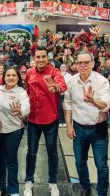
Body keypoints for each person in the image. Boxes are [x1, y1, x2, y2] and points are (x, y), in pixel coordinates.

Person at [63, 51, 110, 196]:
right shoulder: (71, 81)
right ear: (76, 65)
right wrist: (69, 125)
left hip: (99, 129)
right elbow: (67, 104)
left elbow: (107, 103)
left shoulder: (102, 81)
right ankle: (86, 186)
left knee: (101, 165)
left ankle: (102, 192)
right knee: (79, 162)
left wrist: (93, 101)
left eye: (86, 62)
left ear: (92, 64)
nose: (83, 65)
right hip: (79, 129)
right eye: (80, 63)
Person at [23, 47, 67, 196]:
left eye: (43, 57)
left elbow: (62, 86)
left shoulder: (54, 72)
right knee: (31, 152)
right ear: (34, 58)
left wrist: (56, 88)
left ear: (47, 58)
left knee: (52, 152)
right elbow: (27, 92)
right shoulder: (29, 73)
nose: (41, 59)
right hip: (33, 119)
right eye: (38, 57)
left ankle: (53, 182)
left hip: (50, 120)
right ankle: (28, 181)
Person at [0, 67, 30, 196]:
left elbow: (26, 106)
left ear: (18, 78)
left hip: (14, 131)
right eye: (8, 75)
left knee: (11, 160)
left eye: (14, 75)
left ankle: (13, 189)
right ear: (4, 77)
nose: (11, 77)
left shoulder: (21, 92)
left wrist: (21, 111)